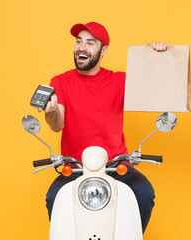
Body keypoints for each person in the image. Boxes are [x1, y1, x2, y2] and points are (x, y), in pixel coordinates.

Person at [38, 21, 168, 233]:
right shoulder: (60, 82)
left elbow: (156, 90)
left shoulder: (120, 81)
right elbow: (56, 124)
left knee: (144, 193)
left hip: (116, 167)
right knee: (54, 198)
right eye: (79, 42)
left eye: (90, 43)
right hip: (76, 169)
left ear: (103, 50)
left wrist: (159, 58)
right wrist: (51, 111)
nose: (82, 47)